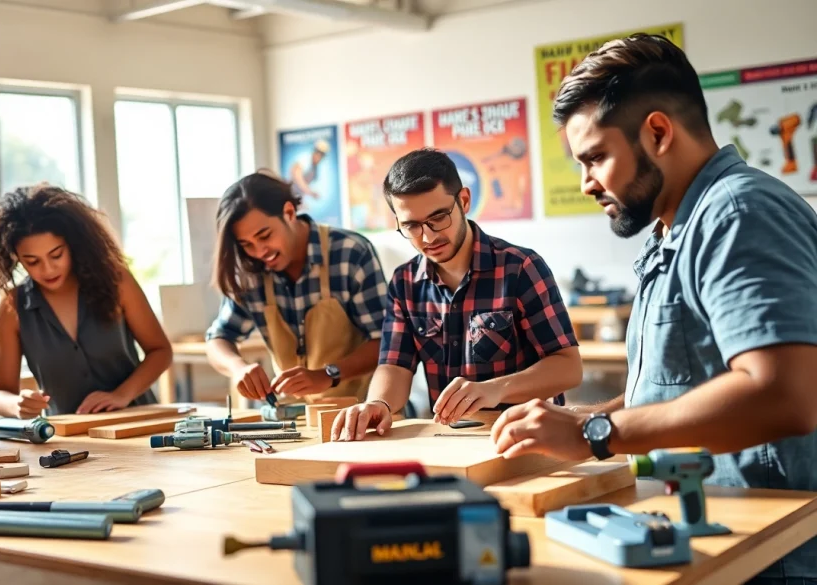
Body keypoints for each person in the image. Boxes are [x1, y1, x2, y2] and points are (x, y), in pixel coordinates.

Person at [488, 34, 817, 585]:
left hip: (770, 559)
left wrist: (601, 434)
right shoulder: (674, 228)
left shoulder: (737, 213)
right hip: (713, 538)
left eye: (596, 158)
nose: (588, 182)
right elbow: (687, 384)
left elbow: (784, 393)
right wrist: (588, 415)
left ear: (658, 132)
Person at [332, 148, 582, 441]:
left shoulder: (521, 268)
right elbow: (395, 365)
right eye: (411, 226)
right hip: (451, 440)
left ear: (463, 201)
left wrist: (493, 389)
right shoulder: (404, 282)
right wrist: (379, 403)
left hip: (527, 436)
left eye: (438, 218)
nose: (428, 237)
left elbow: (568, 367)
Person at [0, 184, 173, 417]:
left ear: (73, 244)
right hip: (66, 439)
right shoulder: (10, 308)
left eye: (56, 254)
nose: (48, 269)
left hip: (136, 424)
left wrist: (121, 395)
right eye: (32, 261)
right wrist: (17, 403)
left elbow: (160, 351)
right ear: (16, 258)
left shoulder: (116, 281)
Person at [205, 171, 387, 405]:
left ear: (289, 213)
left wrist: (328, 374)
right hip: (294, 420)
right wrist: (238, 367)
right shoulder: (252, 271)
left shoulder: (350, 253)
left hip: (364, 411)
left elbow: (386, 341)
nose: (260, 251)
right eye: (247, 244)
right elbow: (217, 339)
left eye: (265, 235)